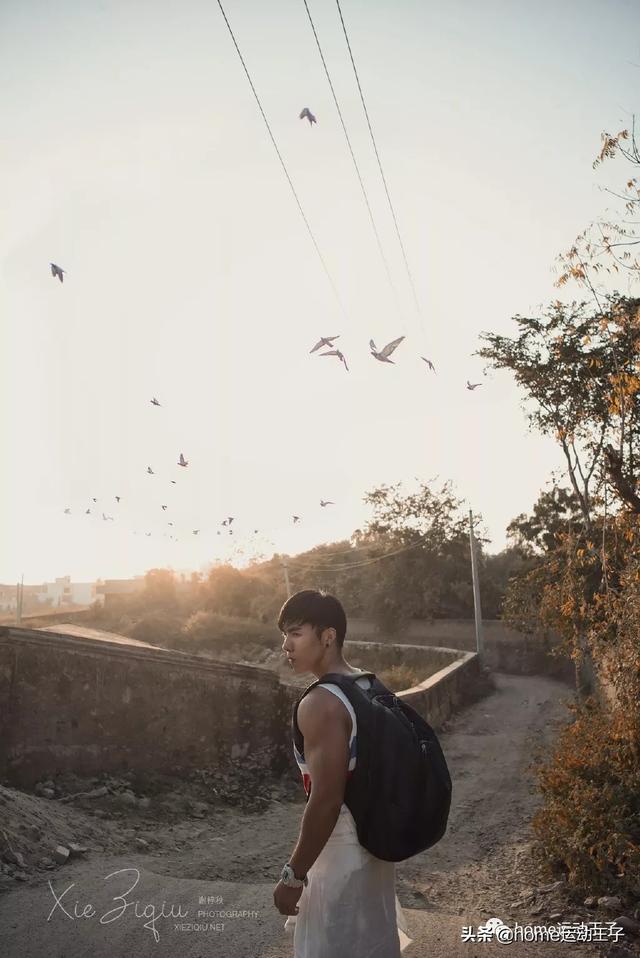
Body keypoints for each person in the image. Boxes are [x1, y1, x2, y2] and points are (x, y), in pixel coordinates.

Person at [273, 589, 413, 958]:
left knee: (330, 946)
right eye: (284, 634)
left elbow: (326, 800)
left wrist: (293, 875)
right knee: (371, 944)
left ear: (328, 636)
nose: (286, 644)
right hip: (376, 842)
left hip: (340, 849)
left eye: (296, 633)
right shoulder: (369, 685)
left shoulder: (320, 702)